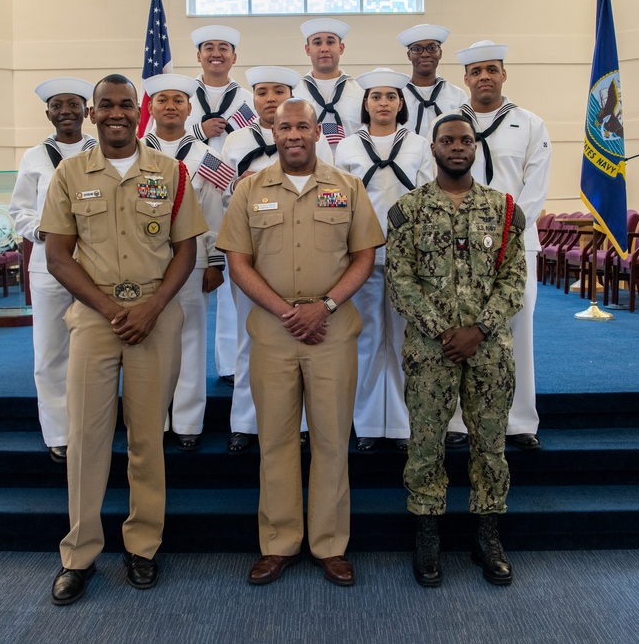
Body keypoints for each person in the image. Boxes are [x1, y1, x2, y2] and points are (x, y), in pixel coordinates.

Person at [40, 74, 207, 605]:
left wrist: (153, 307)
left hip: (156, 315)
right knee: (87, 439)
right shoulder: (69, 173)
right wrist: (113, 309)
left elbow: (186, 250)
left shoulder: (171, 171)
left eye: (125, 105)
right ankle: (80, 554)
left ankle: (142, 546)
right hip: (96, 316)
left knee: (146, 439)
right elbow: (57, 256)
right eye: (106, 105)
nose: (116, 113)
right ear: (92, 114)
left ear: (140, 113)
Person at [216, 99, 383, 587]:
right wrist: (286, 311)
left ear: (318, 132)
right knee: (276, 442)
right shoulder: (249, 191)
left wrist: (324, 306)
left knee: (332, 439)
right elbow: (239, 262)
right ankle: (279, 543)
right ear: (272, 130)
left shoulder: (347, 188)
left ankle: (330, 545)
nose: (293, 134)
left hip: (331, 330)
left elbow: (364, 256)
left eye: (302, 126)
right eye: (284, 125)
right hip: (273, 330)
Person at [385, 112, 526, 588]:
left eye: (465, 140)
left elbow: (514, 280)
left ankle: (487, 533)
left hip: (488, 352)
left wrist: (479, 330)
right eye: (448, 140)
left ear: (475, 147)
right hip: (430, 352)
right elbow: (399, 280)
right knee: (426, 444)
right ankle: (427, 533)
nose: (457, 147)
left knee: (490, 445)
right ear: (434, 148)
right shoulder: (409, 210)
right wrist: (445, 331)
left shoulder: (505, 210)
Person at [220, 65, 334, 454]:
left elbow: (329, 189)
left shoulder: (316, 139)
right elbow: (221, 194)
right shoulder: (234, 141)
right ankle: (244, 424)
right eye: (262, 92)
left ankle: (301, 424)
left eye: (279, 91)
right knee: (247, 338)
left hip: (306, 252)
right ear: (253, 100)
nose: (270, 98)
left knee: (304, 347)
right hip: (254, 255)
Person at [452, 40, 552, 451]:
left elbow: (535, 185)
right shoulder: (449, 123)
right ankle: (456, 421)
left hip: (514, 243)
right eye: (476, 71)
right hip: (458, 244)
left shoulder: (530, 123)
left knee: (516, 329)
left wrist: (506, 231)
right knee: (456, 329)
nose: (484, 77)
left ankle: (519, 421)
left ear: (504, 74)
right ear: (466, 79)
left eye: (491, 69)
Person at [333, 68, 433, 453]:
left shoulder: (420, 144)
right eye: (376, 97)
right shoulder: (347, 147)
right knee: (368, 339)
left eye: (391, 97)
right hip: (363, 255)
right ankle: (371, 423)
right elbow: (339, 202)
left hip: (410, 256)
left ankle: (408, 424)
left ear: (401, 103)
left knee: (409, 339)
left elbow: (426, 198)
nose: (383, 104)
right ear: (365, 104)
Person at [9, 77, 96, 464]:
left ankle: (93, 425)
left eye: (74, 104)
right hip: (48, 265)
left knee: (96, 350)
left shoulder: (103, 151)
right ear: (48, 112)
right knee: (50, 352)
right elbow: (19, 211)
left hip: (97, 266)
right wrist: (40, 230)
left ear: (86, 111)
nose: (66, 111)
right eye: (58, 105)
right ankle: (58, 433)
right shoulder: (34, 156)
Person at [141, 73, 229, 451]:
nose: (171, 106)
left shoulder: (207, 156)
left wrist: (215, 261)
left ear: (190, 109)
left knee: (191, 338)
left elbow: (216, 210)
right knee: (149, 342)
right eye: (163, 100)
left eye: (178, 99)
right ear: (152, 108)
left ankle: (189, 421)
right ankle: (153, 419)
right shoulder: (134, 152)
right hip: (144, 264)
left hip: (191, 261)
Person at [186, 25, 254, 386]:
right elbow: (158, 136)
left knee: (235, 280)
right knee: (191, 284)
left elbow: (257, 140)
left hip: (235, 196)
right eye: (208, 48)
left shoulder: (246, 98)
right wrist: (200, 131)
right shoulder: (182, 94)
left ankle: (231, 364)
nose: (216, 53)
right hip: (193, 198)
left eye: (224, 48)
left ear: (234, 56)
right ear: (198, 56)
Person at [293, 18, 363, 152]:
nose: (324, 48)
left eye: (330, 42)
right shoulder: (294, 93)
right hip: (306, 169)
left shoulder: (360, 91)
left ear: (341, 48)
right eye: (317, 43)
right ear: (308, 49)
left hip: (350, 169)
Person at [396, 24, 468, 139]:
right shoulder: (397, 95)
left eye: (432, 48)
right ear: (409, 55)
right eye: (417, 49)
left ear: (440, 53)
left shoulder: (457, 95)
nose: (425, 54)